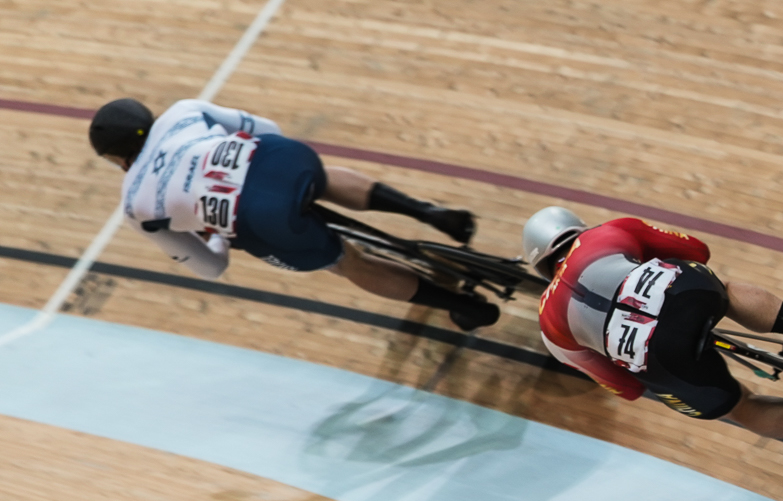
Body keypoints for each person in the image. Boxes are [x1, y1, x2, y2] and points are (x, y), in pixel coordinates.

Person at [89, 97, 497, 330]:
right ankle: (431, 213)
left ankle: (462, 305)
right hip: (281, 162)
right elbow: (269, 128)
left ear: (112, 158)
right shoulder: (183, 111)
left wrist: (215, 231)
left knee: (347, 262)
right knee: (318, 174)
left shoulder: (135, 205)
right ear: (148, 116)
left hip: (259, 219)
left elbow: (210, 268)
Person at [523, 207, 783, 452]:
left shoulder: (548, 326)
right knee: (724, 291)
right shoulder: (608, 231)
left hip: (664, 361)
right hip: (687, 299)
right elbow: (698, 251)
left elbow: (626, 388)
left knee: (739, 406)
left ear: (541, 266)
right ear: (577, 227)